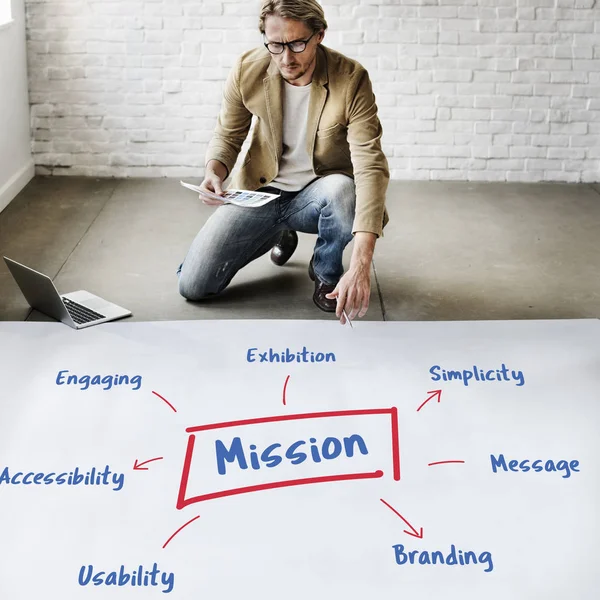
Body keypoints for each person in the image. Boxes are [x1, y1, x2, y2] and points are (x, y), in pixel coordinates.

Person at [178, 0, 389, 324]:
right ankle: (278, 233)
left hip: (319, 194)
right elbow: (228, 135)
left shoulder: (351, 78)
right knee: (193, 285)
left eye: (297, 44)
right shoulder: (248, 69)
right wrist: (214, 172)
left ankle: (325, 272)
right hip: (261, 192)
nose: (286, 58)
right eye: (276, 45)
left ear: (319, 35)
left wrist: (361, 264)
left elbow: (369, 164)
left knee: (344, 191)